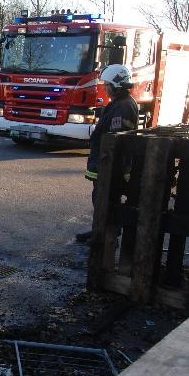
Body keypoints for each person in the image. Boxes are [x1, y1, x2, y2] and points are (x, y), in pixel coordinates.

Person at [77, 64, 139, 243]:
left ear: (117, 85)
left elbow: (115, 139)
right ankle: (100, 229)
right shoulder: (119, 104)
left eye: (107, 85)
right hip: (105, 163)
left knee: (107, 201)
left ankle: (106, 235)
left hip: (111, 165)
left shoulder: (123, 107)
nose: (105, 88)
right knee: (100, 199)